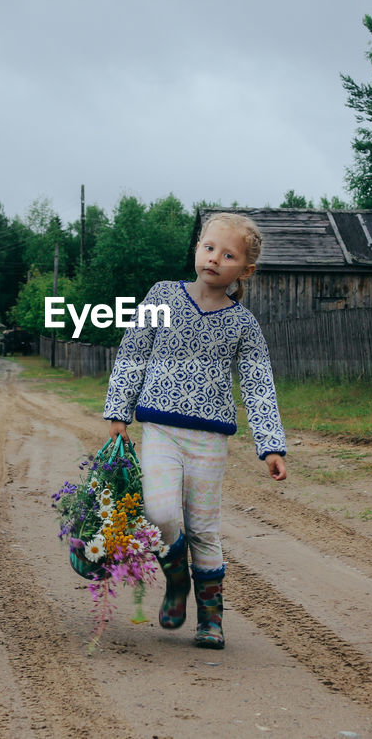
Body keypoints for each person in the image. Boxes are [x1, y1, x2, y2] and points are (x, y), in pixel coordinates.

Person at [103, 212, 287, 650]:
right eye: (209, 248)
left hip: (210, 442)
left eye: (228, 255)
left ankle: (211, 618)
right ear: (197, 250)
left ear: (245, 270)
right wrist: (118, 414)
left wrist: (270, 446)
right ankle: (176, 577)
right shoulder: (163, 296)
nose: (215, 259)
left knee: (204, 529)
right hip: (161, 432)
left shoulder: (244, 325)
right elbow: (133, 351)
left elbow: (259, 384)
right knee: (160, 512)